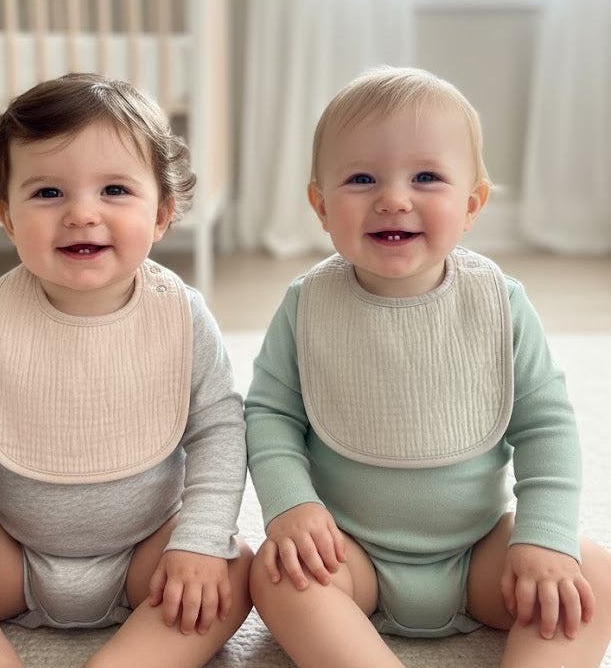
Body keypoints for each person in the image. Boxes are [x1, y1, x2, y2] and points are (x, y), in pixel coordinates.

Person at [0, 73, 252, 668]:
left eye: (115, 191)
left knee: (232, 567)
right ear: (6, 215)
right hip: (14, 553)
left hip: (147, 555)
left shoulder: (181, 314)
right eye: (48, 193)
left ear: (163, 213)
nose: (81, 214)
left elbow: (220, 432)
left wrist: (198, 542)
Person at [246, 66, 611, 668]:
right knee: (276, 575)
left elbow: (547, 424)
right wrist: (291, 506)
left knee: (586, 573)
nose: (394, 199)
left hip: (479, 554)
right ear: (320, 205)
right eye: (361, 178)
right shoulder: (308, 304)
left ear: (471, 205)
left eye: (426, 177)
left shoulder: (499, 302)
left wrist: (544, 536)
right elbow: (270, 414)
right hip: (348, 554)